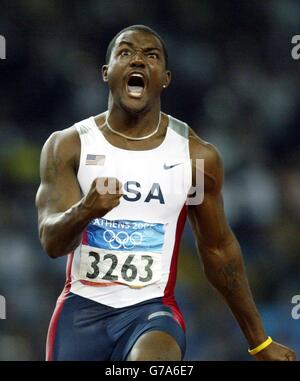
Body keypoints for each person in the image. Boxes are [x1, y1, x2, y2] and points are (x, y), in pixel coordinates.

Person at [35, 24, 296, 361]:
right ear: (106, 72)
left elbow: (218, 250)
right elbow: (52, 243)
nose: (139, 61)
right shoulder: (68, 146)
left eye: (151, 55)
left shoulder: (196, 158)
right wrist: (86, 210)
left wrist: (259, 341)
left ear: (165, 78)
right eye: (125, 52)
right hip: (81, 314)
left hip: (152, 313)